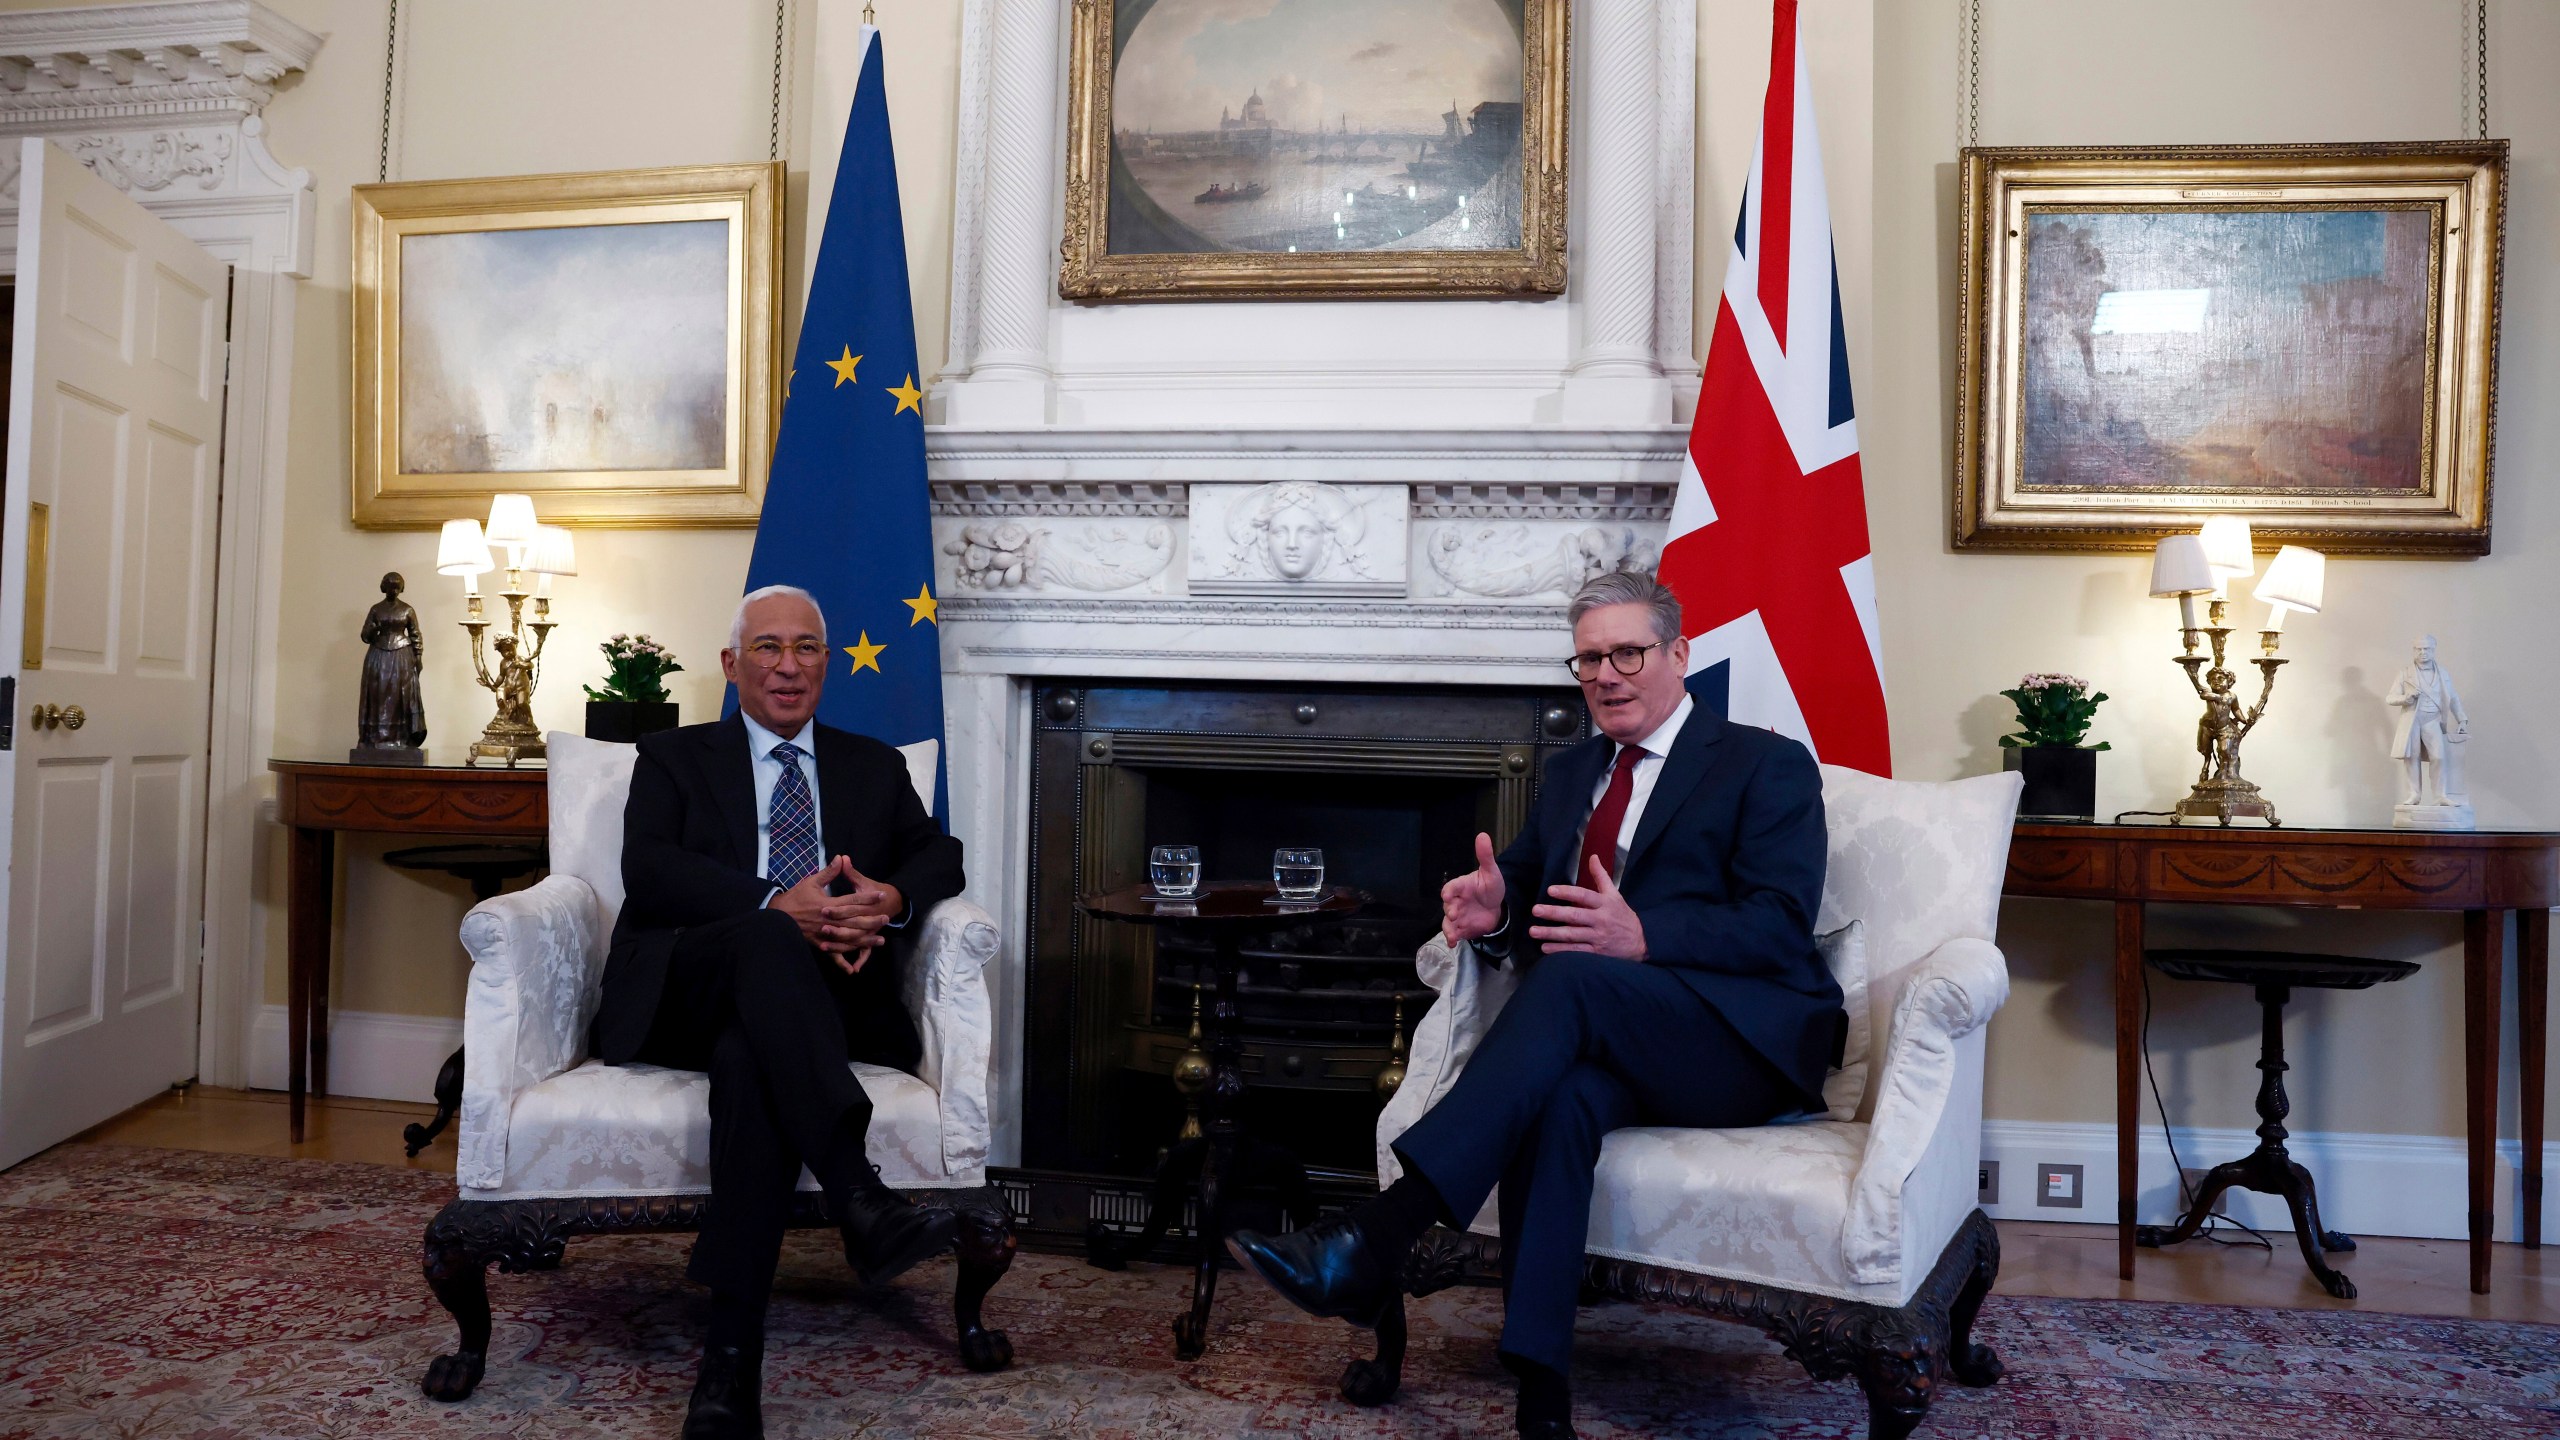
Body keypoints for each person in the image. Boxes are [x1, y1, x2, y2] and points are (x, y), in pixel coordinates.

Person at [1227, 570, 1842, 1440]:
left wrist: (1646, 935)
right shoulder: (1573, 773)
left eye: (1628, 652)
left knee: (1578, 974)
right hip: (1610, 1041)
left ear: (1680, 654)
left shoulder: (1763, 763)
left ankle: (1382, 1234)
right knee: (1560, 1101)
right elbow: (1520, 888)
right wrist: (1496, 911)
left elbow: (1783, 925)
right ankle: (1541, 1399)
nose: (1606, 675)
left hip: (1737, 1043)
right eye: (1589, 658)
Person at [592, 584, 966, 1440]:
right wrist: (775, 904)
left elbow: (938, 852)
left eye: (806, 649)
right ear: (732, 665)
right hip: (689, 988)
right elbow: (647, 871)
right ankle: (857, 1192)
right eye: (768, 648)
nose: (788, 666)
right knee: (766, 938)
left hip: (820, 1007)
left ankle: (730, 1360)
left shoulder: (875, 765)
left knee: (749, 1063)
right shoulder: (673, 757)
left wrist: (891, 894)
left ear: (827, 666)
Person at [354, 571, 425, 754]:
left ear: (401, 588)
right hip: (378, 655)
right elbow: (365, 636)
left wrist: (418, 657)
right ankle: (373, 737)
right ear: (383, 587)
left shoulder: (407, 610)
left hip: (402, 656)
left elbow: (415, 634)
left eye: (396, 586)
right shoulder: (376, 609)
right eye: (390, 585)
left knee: (400, 695)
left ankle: (401, 737)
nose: (393, 589)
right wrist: (373, 628)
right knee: (378, 694)